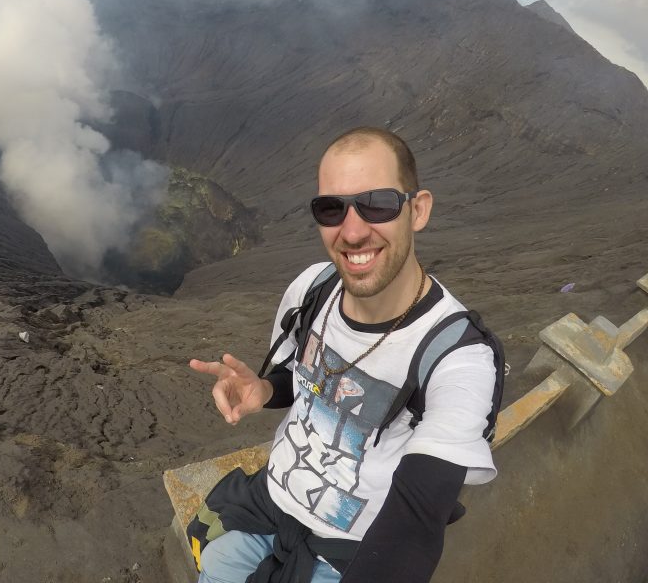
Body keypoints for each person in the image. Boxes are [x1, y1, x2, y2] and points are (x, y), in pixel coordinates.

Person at [189, 127, 498, 583]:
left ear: (418, 210)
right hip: (270, 506)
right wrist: (267, 388)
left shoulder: (458, 358)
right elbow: (303, 376)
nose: (352, 232)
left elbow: (417, 517)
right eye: (331, 208)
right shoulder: (313, 289)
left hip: (346, 553)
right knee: (214, 565)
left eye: (378, 203)